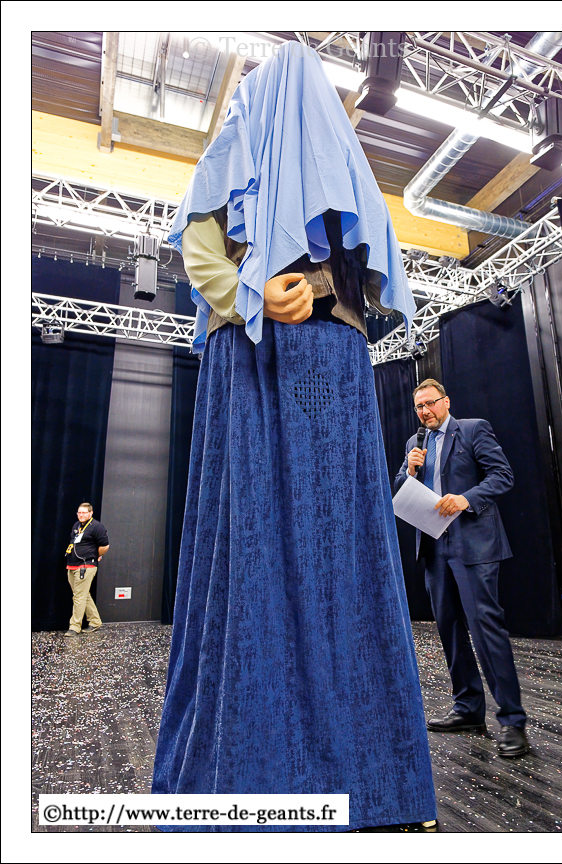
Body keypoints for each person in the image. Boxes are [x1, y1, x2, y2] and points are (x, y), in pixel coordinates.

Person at [151, 42, 437, 832]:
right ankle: (259, 768)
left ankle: (367, 775)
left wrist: (323, 294)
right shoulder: (235, 148)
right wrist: (248, 296)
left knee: (340, 543)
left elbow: (369, 271)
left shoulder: (339, 160)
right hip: (254, 356)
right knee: (255, 537)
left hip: (329, 361)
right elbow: (200, 250)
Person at [394, 379, 529, 757]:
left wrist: (465, 499)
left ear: (446, 401)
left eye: (430, 403)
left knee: (485, 629)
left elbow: (502, 475)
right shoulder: (415, 443)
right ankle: (468, 709)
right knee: (450, 630)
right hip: (434, 547)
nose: (424, 411)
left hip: (474, 545)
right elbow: (400, 486)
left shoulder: (472, 430)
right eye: (419, 406)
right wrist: (410, 471)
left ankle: (512, 720)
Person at [64, 503, 109, 637]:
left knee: (79, 596)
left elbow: (105, 545)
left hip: (86, 566)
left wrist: (95, 555)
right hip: (72, 565)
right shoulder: (76, 525)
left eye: (84, 512)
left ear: (91, 513)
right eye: (79, 513)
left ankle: (74, 626)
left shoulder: (97, 526)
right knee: (82, 595)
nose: (81, 515)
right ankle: (95, 621)